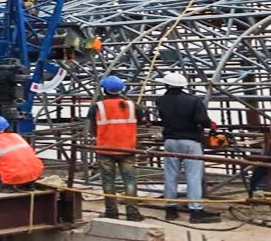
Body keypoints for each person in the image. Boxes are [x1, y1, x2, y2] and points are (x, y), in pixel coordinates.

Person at [155, 72, 222, 223]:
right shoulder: (193, 100)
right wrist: (211, 125)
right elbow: (202, 120)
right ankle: (195, 210)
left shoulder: (160, 100)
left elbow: (163, 118)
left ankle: (170, 209)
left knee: (170, 175)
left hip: (170, 141)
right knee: (193, 176)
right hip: (191, 141)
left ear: (166, 85)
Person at [87, 75, 147, 221]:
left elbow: (92, 129)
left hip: (105, 149)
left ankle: (111, 212)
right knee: (130, 181)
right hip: (127, 149)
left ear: (104, 90)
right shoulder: (133, 106)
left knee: (108, 181)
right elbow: (140, 121)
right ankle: (133, 213)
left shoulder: (98, 107)